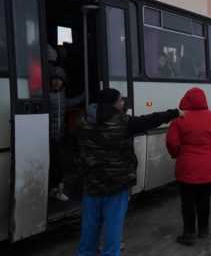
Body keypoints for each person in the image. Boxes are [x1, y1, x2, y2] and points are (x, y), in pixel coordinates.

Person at [77, 88, 178, 255]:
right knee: (113, 227)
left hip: (91, 183)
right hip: (116, 184)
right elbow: (151, 120)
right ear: (114, 103)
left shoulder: (83, 121)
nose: (123, 103)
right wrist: (174, 113)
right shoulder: (123, 121)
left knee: (89, 227)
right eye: (121, 100)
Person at [166, 88, 211, 246]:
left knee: (187, 202)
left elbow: (172, 142)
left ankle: (189, 233)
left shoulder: (179, 119)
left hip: (187, 167)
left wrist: (177, 153)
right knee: (204, 200)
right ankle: (204, 230)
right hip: (208, 167)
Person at [49, 66, 84, 201]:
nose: (57, 82)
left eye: (60, 80)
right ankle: (55, 189)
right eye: (54, 79)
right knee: (55, 164)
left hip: (60, 137)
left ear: (63, 82)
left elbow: (72, 102)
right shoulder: (46, 96)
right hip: (50, 137)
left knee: (59, 164)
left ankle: (57, 189)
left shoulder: (62, 97)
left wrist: (84, 95)